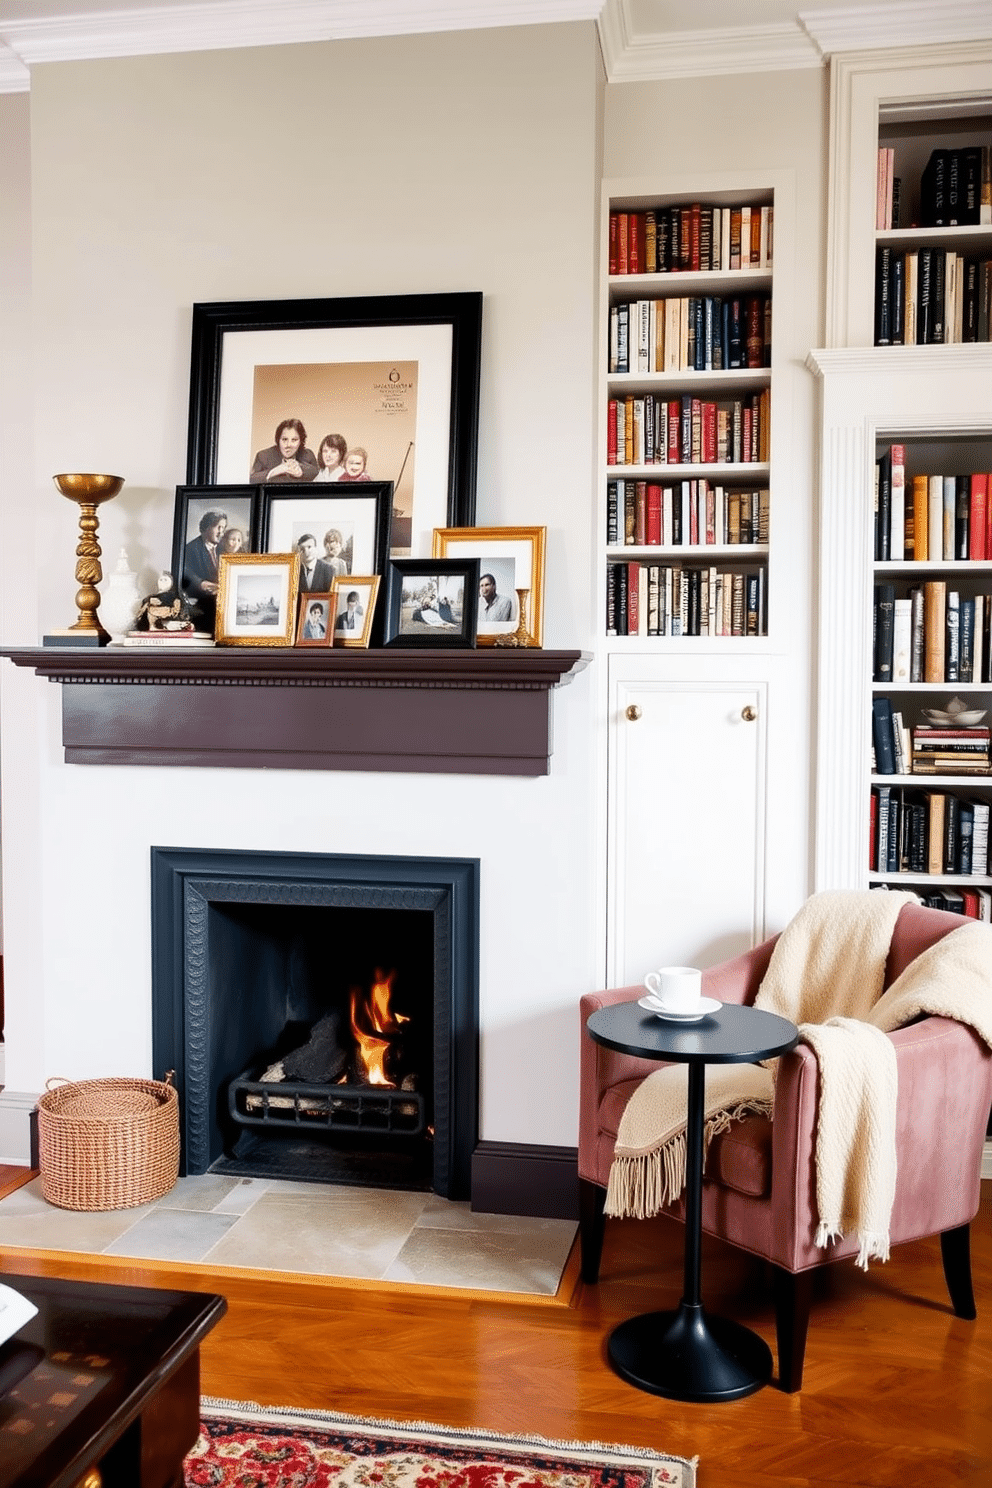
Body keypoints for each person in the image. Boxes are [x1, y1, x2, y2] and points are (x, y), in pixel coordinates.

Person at [182, 509, 227, 623]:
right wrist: (201, 584)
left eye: (223, 528)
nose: (221, 532)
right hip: (202, 605)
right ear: (206, 527)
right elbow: (185, 572)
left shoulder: (223, 548)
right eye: (218, 527)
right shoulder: (191, 548)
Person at [249, 418, 318, 484]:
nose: (288, 445)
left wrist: (301, 471)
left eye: (294, 440)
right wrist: (273, 472)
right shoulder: (263, 456)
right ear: (278, 440)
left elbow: (316, 472)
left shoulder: (308, 454)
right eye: (284, 439)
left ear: (300, 441)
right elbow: (251, 479)